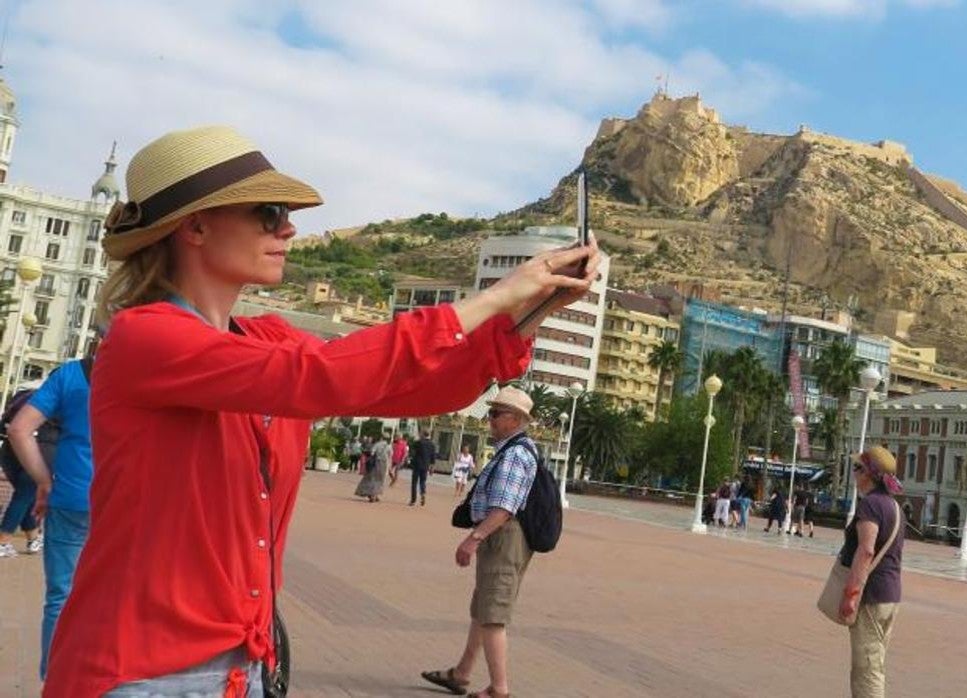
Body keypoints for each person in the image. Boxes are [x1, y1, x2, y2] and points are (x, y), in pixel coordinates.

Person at [41, 125, 599, 696]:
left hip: (241, 667)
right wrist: (499, 293)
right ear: (196, 225)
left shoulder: (269, 338)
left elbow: (414, 389)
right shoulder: (146, 337)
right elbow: (324, 378)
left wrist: (534, 309)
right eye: (270, 211)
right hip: (136, 672)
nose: (288, 227)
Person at [421, 386, 539, 698]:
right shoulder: (513, 449)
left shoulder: (514, 454)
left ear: (514, 419)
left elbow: (504, 508)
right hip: (500, 536)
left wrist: (473, 539)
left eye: (496, 414)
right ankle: (462, 673)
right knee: (483, 609)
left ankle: (499, 689)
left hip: (503, 536)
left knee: (493, 615)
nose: (490, 420)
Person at [7, 357, 94, 679]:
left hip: (71, 497)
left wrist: (44, 481)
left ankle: (56, 680)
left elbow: (19, 430)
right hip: (124, 502)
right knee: (118, 596)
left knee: (61, 596)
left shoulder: (71, 374)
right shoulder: (142, 374)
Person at [837, 446, 905, 698]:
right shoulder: (893, 507)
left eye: (857, 468)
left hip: (871, 597)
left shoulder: (871, 506)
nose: (854, 474)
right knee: (874, 663)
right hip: (890, 595)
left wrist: (851, 594)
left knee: (867, 669)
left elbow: (866, 551)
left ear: (869, 475)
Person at [0, 386, 53, 559]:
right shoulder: (61, 401)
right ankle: (3, 540)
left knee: (27, 497)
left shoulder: (27, 395)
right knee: (23, 497)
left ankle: (33, 539)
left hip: (10, 451)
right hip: (38, 453)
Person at [355, 432, 390, 503]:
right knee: (380, 479)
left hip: (375, 463)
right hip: (383, 464)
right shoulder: (389, 446)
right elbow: (389, 455)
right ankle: (375, 495)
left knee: (371, 478)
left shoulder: (377, 444)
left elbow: (372, 453)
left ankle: (372, 495)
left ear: (381, 437)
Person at [411, 430, 437, 506]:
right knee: (423, 481)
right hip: (426, 465)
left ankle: (413, 500)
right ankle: (423, 493)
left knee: (414, 482)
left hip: (417, 464)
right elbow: (433, 456)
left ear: (422, 434)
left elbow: (413, 447)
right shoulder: (432, 444)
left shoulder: (419, 442)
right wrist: (432, 466)